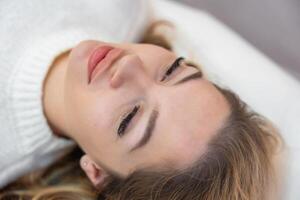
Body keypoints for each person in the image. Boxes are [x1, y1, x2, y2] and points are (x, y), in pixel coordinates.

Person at [0, 1, 284, 200]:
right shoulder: (121, 8)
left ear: (97, 170)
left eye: (129, 119)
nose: (130, 65)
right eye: (172, 71)